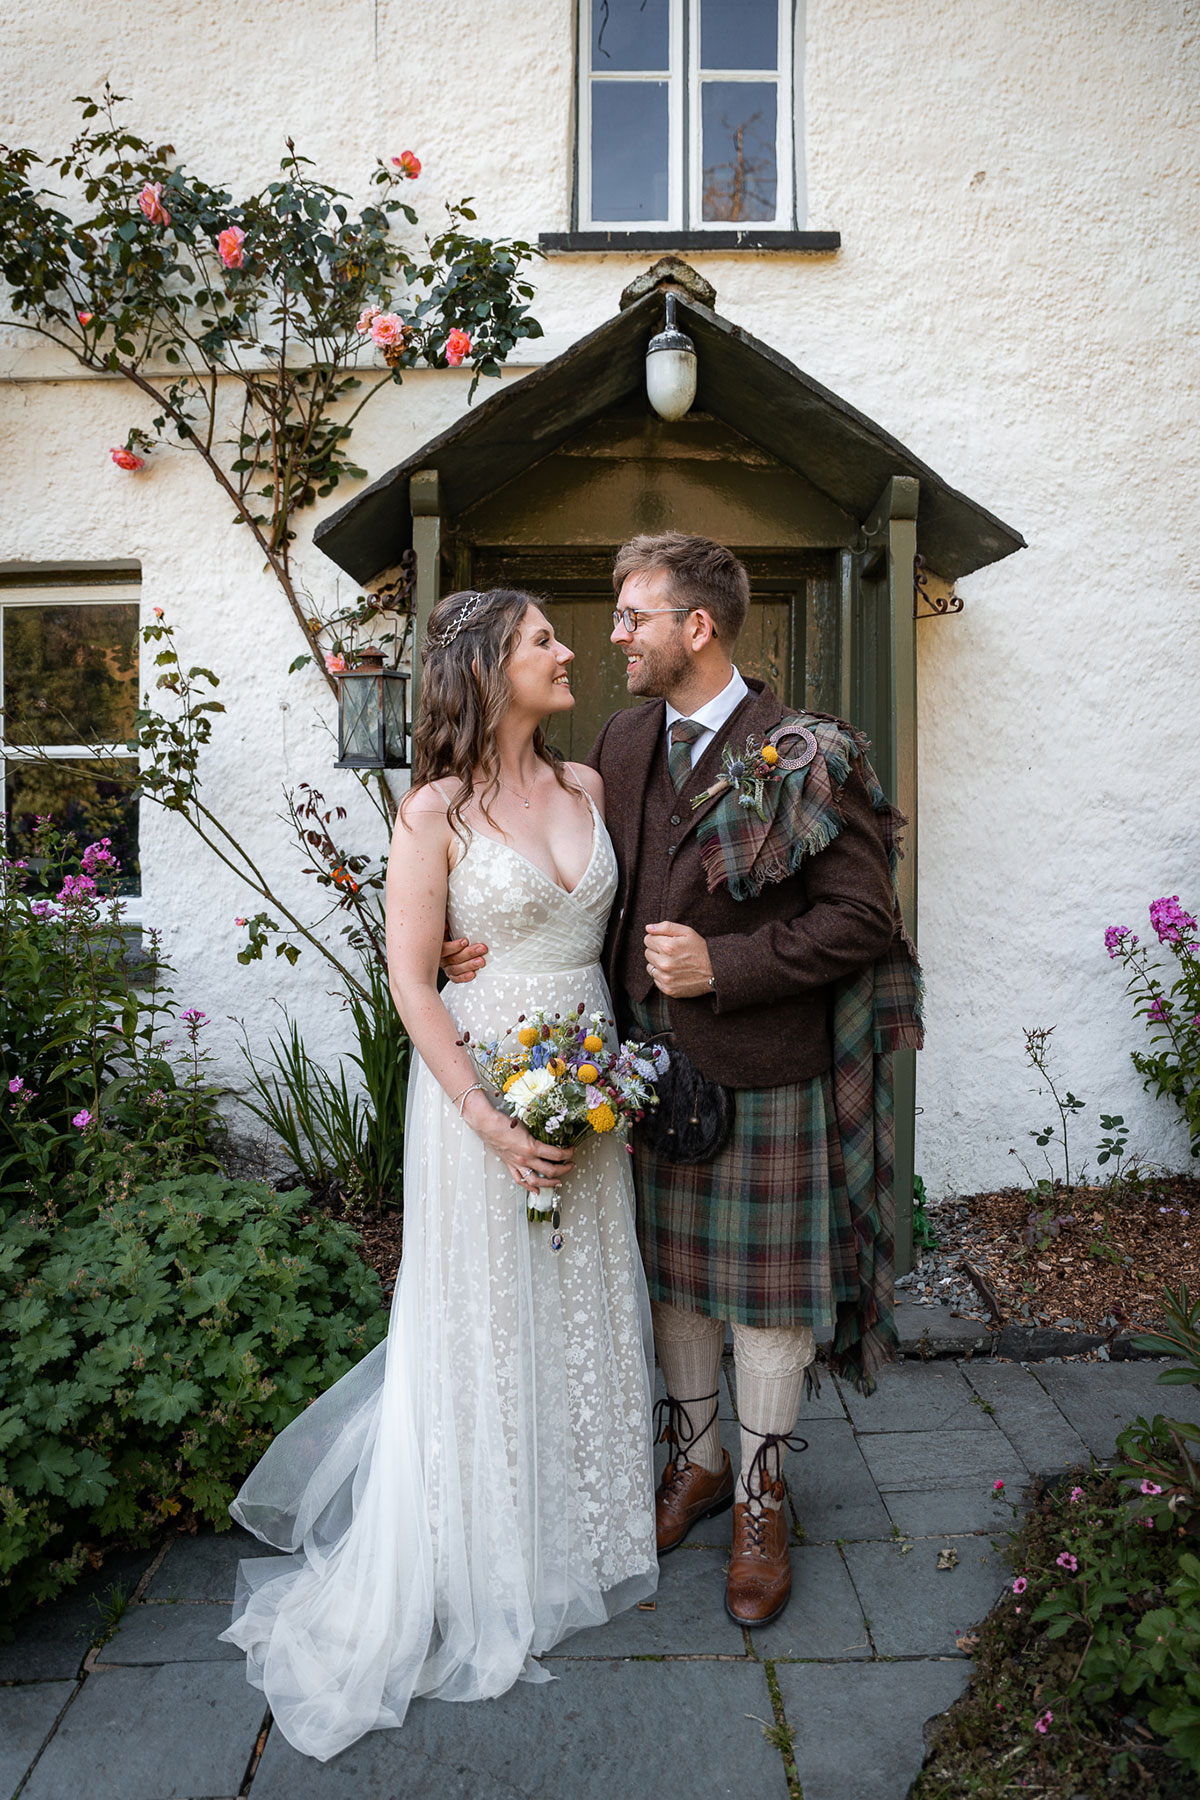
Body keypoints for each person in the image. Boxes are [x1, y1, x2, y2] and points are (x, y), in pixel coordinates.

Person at [446, 534, 922, 1630]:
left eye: (631, 618)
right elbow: (550, 870)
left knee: (764, 1302)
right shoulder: (616, 741)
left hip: (762, 1073)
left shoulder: (805, 752)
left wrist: (733, 965)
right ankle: (699, 1460)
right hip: (638, 1080)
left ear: (695, 628)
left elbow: (865, 918)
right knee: (672, 1288)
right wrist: (461, 944)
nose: (611, 637)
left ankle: (762, 1494)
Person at [220, 588, 657, 1761]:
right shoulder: (435, 814)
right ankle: (479, 1545)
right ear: (485, 669)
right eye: (543, 643)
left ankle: (578, 1531)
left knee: (579, 1299)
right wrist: (486, 1115)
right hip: (479, 1098)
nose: (569, 654)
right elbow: (417, 981)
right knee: (482, 1315)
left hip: (585, 1079)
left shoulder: (588, 789)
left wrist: (601, 1078)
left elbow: (597, 940)